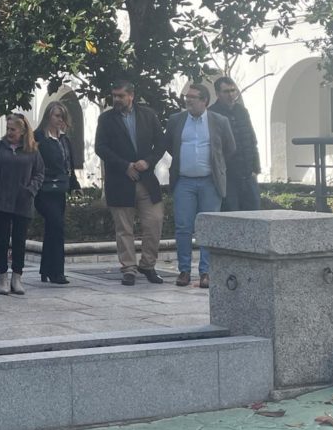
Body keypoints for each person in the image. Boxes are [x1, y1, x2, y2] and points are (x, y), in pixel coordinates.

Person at [95, 80, 168, 286]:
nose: (116, 99)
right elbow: (100, 148)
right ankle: (129, 269)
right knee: (124, 229)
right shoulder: (106, 119)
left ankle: (148, 265)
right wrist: (124, 166)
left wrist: (149, 161)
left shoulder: (148, 115)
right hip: (120, 181)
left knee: (154, 222)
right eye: (114, 96)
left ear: (131, 96)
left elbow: (161, 143)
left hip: (147, 181)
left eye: (120, 96)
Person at [165, 83, 236, 289]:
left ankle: (206, 272)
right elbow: (171, 145)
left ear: (204, 100)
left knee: (208, 227)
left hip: (209, 182)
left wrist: (216, 165)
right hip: (184, 181)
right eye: (187, 97)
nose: (188, 100)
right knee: (183, 227)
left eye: (193, 97)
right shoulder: (176, 121)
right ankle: (184, 270)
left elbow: (229, 148)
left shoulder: (219, 121)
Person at [0, 114, 45, 295]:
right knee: (1, 240)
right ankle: (2, 277)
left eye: (13, 129)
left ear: (23, 131)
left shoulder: (32, 151)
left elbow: (40, 173)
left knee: (19, 241)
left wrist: (30, 190)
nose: (9, 132)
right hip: (0, 201)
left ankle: (17, 278)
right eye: (7, 129)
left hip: (23, 202)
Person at [33, 102, 80, 285]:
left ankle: (46, 269)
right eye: (57, 116)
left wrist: (74, 184)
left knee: (53, 229)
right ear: (48, 117)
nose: (60, 120)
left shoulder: (64, 139)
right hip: (43, 189)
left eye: (62, 116)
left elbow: (68, 164)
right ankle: (56, 272)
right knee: (56, 225)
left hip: (59, 189)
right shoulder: (39, 137)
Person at [209, 77, 262, 211]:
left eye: (233, 90)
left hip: (248, 173)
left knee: (254, 213)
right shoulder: (211, 114)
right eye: (226, 91)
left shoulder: (242, 111)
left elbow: (251, 140)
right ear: (217, 93)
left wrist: (256, 169)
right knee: (231, 214)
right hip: (227, 176)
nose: (231, 94)